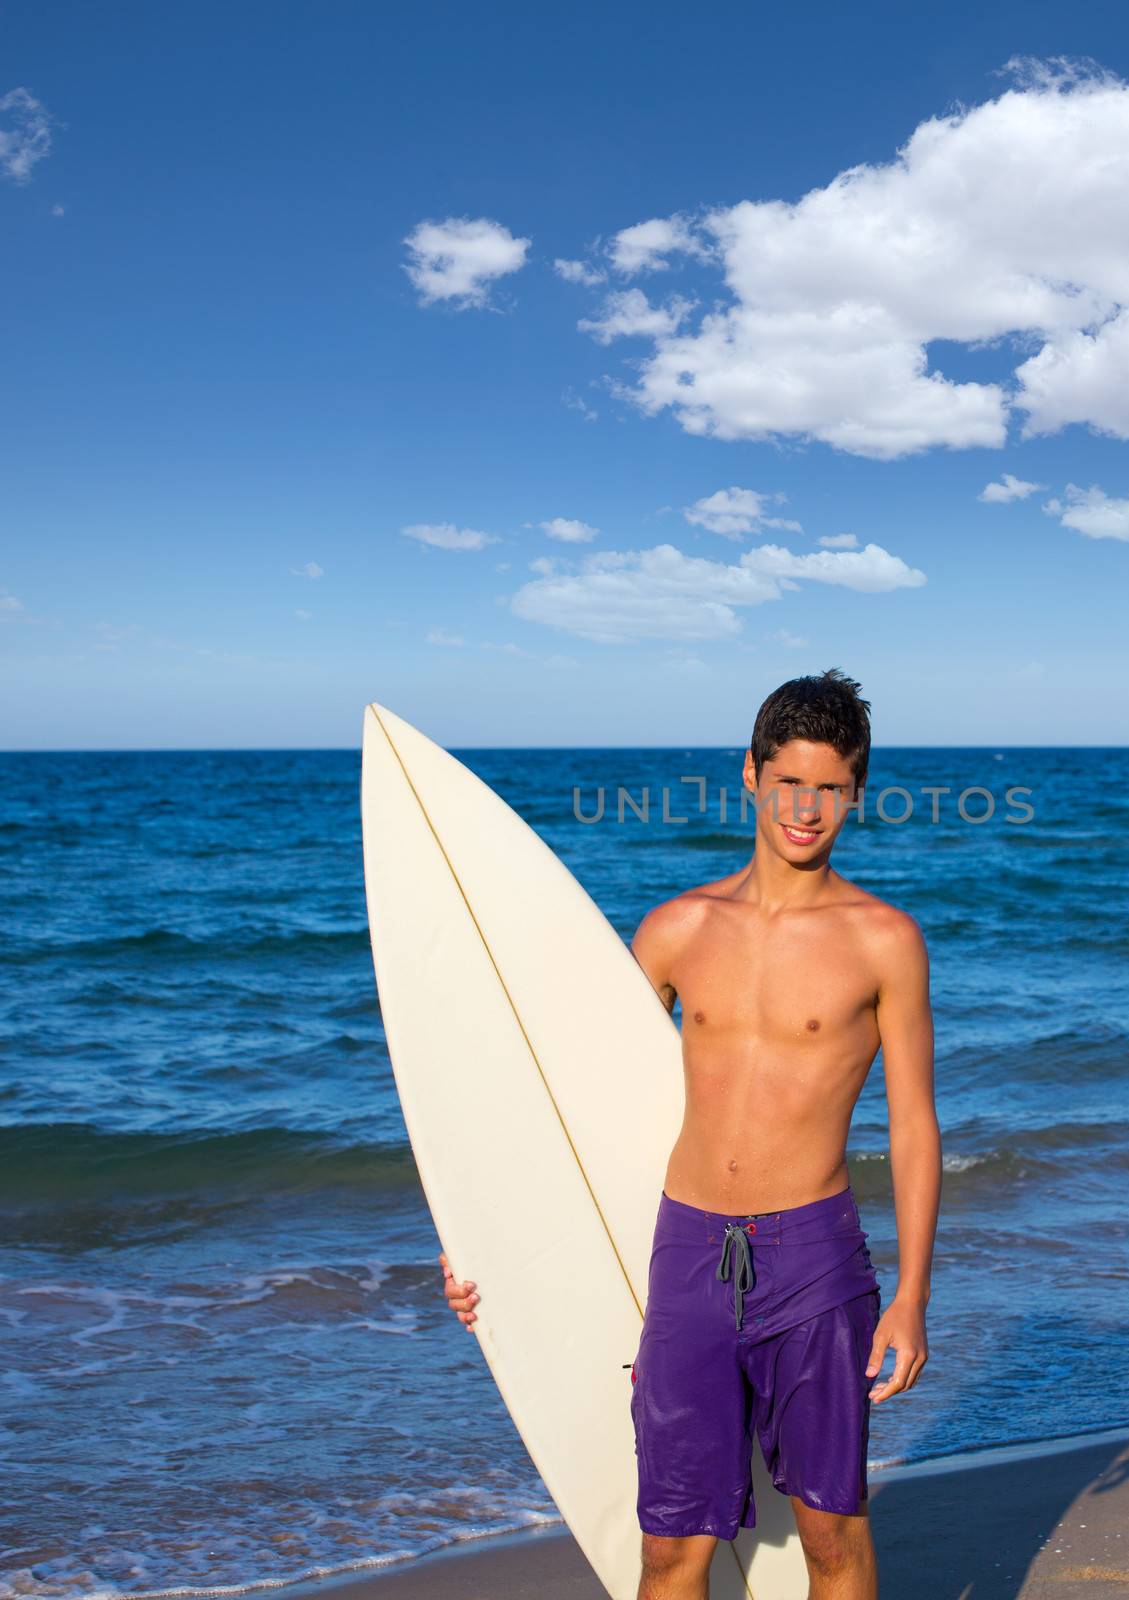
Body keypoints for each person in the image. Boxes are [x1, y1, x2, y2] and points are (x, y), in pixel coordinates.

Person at [440, 668, 941, 1600]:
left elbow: (913, 1124)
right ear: (749, 775)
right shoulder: (675, 931)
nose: (807, 807)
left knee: (833, 1533)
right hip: (688, 1254)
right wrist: (481, 1250)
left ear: (858, 795)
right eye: (789, 780)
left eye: (831, 787)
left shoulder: (884, 941)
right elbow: (569, 1108)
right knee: (672, 1544)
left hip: (816, 1259)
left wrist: (911, 1295)